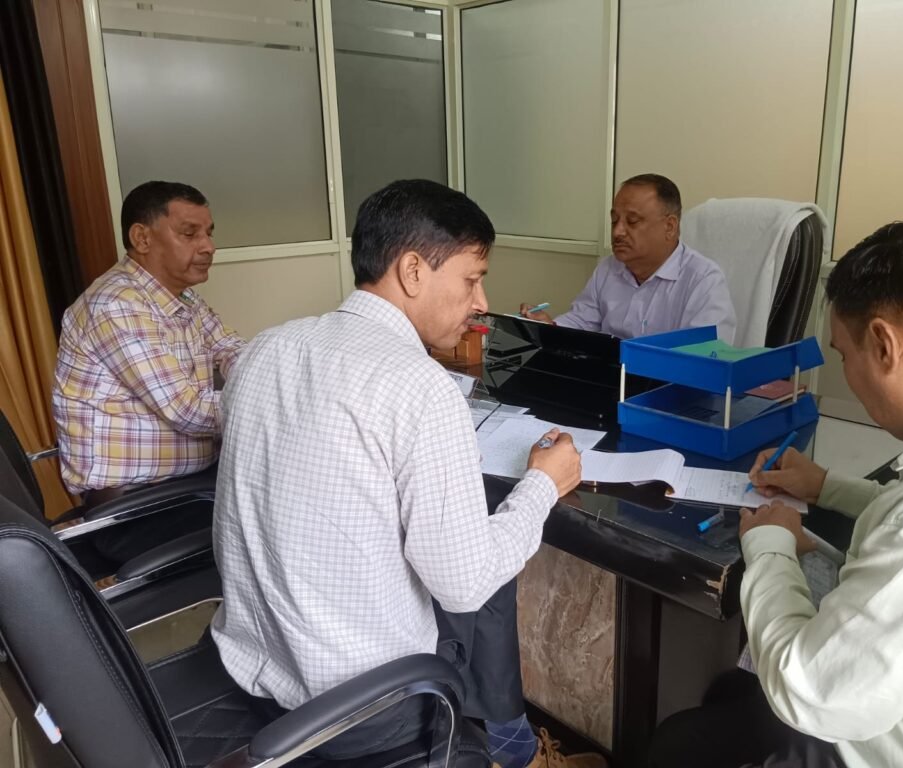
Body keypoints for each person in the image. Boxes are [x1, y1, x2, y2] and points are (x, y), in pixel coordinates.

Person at [211, 180, 604, 767]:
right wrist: (545, 483)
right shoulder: (419, 387)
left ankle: (510, 744)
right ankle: (510, 749)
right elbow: (465, 584)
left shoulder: (266, 347)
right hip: (362, 711)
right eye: (472, 279)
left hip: (255, 673)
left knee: (451, 549)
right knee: (483, 570)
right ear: (414, 270)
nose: (481, 301)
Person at [647, 215, 903, 768]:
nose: (846, 370)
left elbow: (807, 692)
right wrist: (825, 486)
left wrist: (771, 547)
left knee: (677, 745)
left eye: (844, 355)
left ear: (884, 345)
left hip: (890, 746)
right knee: (730, 693)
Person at [52, 181, 244, 562]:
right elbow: (187, 409)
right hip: (138, 507)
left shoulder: (183, 298)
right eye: (189, 233)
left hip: (184, 485)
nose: (208, 246)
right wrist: (267, 403)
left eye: (208, 233)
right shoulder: (117, 306)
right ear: (142, 238)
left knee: (287, 486)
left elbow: (231, 348)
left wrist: (262, 378)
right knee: (275, 520)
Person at [520, 174, 736, 341]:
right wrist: (550, 328)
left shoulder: (703, 280)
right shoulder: (608, 268)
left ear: (669, 227)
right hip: (609, 379)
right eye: (614, 221)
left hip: (666, 383)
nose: (617, 232)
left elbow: (704, 359)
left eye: (632, 221)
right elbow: (582, 321)